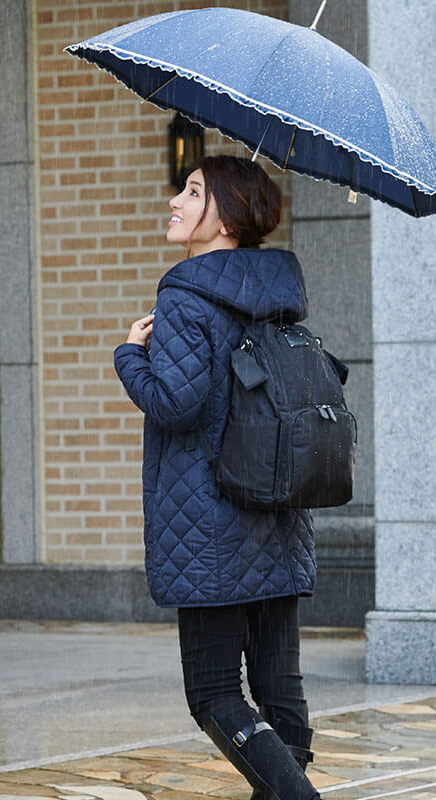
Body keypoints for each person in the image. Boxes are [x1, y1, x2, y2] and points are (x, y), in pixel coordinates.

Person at [114, 155, 320, 800]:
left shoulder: (185, 294)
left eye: (193, 191)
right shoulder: (280, 294)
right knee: (277, 687)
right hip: (279, 509)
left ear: (225, 216)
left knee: (212, 693)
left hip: (205, 522)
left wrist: (129, 356)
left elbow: (178, 406)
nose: (176, 200)